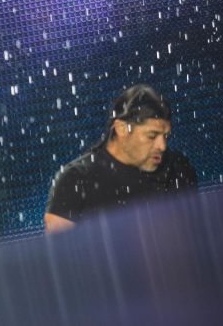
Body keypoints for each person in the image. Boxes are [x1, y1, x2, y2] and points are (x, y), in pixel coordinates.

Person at [44, 84, 197, 234]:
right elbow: (61, 248)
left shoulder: (178, 168)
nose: (162, 146)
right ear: (122, 128)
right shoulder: (75, 180)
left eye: (165, 136)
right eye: (152, 136)